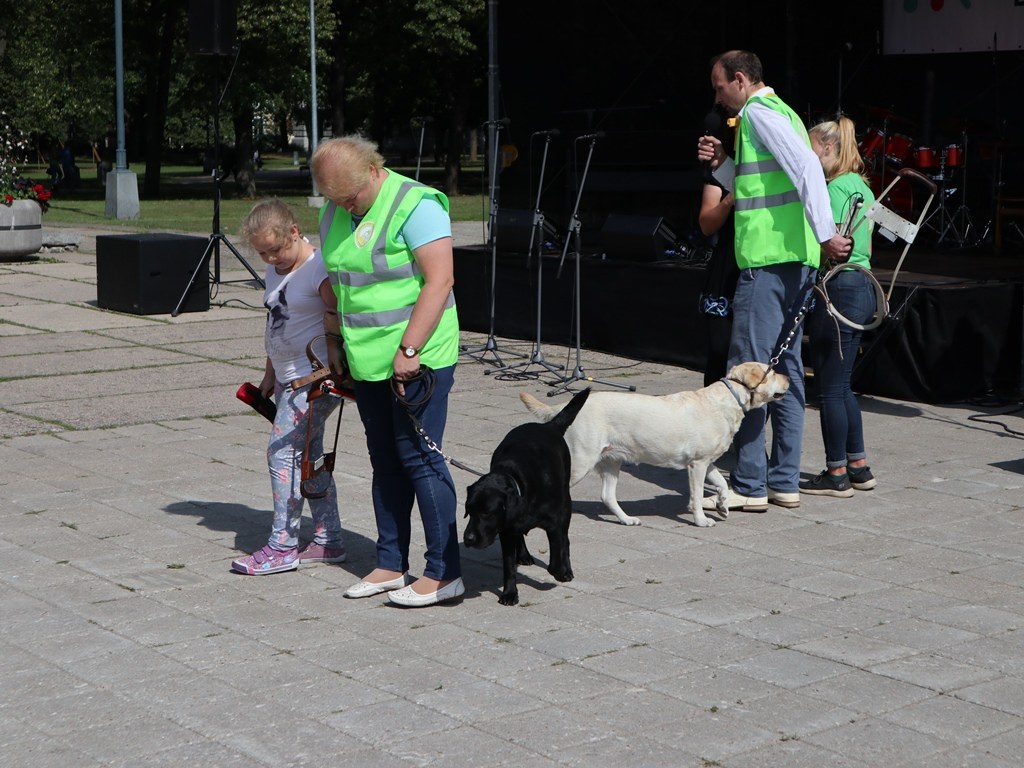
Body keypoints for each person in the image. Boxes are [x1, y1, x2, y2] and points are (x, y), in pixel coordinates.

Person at [310, 135, 464, 608]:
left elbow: (440, 280)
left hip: (419, 357)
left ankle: (445, 573)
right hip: (366, 359)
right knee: (385, 460)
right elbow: (337, 284)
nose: (344, 207)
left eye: (350, 198)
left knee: (419, 458)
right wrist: (334, 339)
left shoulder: (417, 205)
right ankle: (390, 564)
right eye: (335, 200)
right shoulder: (337, 207)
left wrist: (410, 348)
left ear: (374, 171)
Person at [697, 50, 852, 513]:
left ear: (740, 80)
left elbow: (806, 168)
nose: (717, 97)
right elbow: (758, 184)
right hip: (792, 262)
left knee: (748, 371)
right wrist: (724, 162)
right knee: (786, 376)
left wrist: (826, 233)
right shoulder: (773, 112)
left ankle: (750, 482)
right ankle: (783, 480)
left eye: (719, 87)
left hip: (768, 264)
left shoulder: (759, 113)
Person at [230, 199, 347, 575]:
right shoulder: (275, 271)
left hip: (313, 381)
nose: (271, 259)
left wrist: (330, 370)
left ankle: (283, 546)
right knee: (308, 458)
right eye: (263, 252)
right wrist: (269, 374)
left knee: (282, 455)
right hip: (287, 378)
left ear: (294, 231)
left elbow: (340, 319)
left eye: (277, 249)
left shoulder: (318, 269)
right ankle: (329, 540)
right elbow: (276, 323)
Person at [801, 116, 878, 497]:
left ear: (828, 149)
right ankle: (858, 466)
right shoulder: (861, 185)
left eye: (811, 149)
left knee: (829, 388)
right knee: (842, 384)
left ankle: (836, 473)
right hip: (863, 285)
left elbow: (826, 241)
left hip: (840, 286)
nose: (807, 157)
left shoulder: (830, 188)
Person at [697, 112, 740, 387]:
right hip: (726, 266)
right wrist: (730, 199)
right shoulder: (719, 177)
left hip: (756, 265)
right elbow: (706, 224)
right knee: (719, 350)